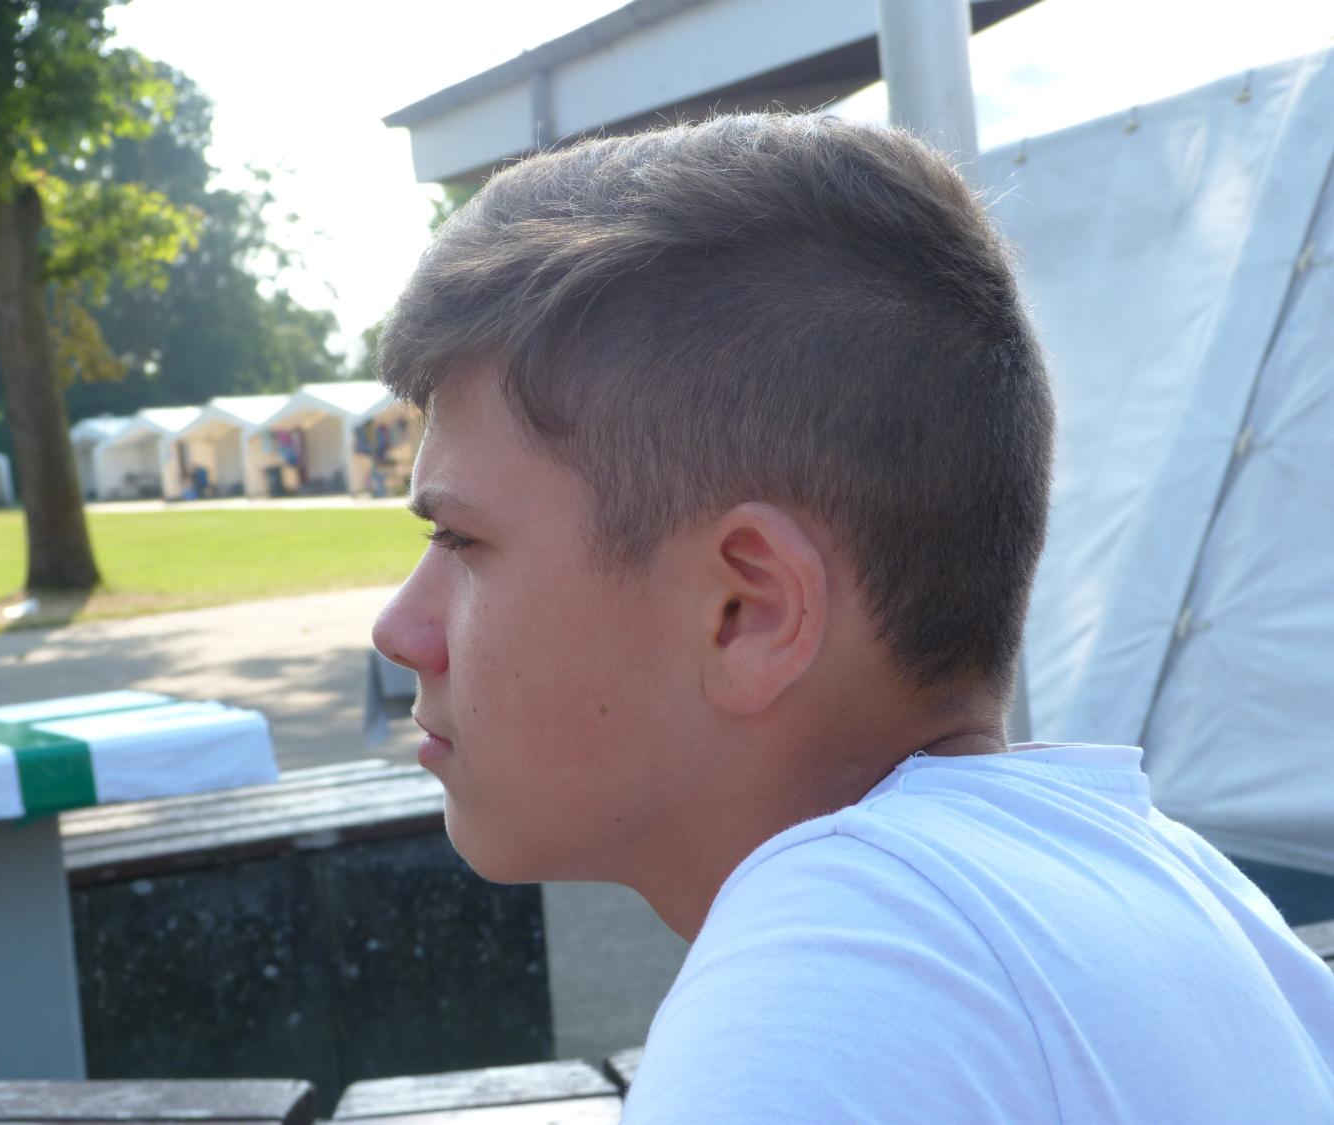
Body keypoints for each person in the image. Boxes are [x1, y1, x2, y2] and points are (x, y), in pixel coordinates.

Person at [370, 115, 1334, 1122]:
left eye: (461, 540)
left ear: (748, 611)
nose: (400, 630)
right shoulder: (1174, 889)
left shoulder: (844, 982)